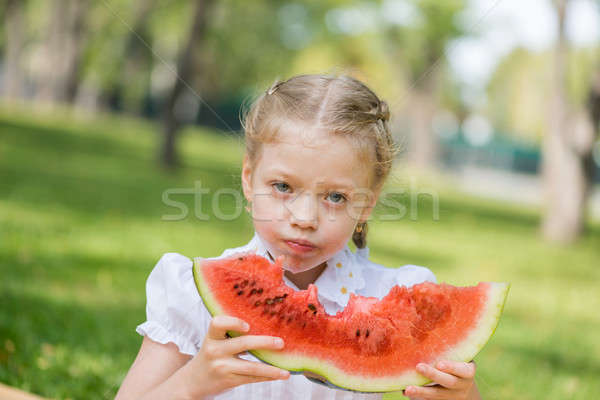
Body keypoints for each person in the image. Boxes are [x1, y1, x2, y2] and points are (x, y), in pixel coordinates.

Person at [115, 73, 481, 400]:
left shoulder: (403, 297)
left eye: (335, 197)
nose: (305, 219)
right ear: (248, 178)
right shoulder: (191, 295)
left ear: (368, 203)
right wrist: (192, 383)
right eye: (283, 187)